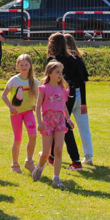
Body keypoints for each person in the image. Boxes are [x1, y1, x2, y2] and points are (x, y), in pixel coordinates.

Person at [32, 61, 75, 189]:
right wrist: (39, 122)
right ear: (49, 73)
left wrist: (68, 119)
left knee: (58, 150)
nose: (60, 75)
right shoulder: (44, 88)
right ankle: (39, 167)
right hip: (47, 120)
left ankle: (56, 178)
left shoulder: (63, 89)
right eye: (57, 72)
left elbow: (63, 106)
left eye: (61, 72)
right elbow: (38, 106)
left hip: (60, 120)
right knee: (46, 152)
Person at [46, 33, 85, 170]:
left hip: (57, 96)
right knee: (58, 125)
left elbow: (48, 81)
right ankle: (51, 157)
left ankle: (76, 161)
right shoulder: (73, 59)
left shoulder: (52, 61)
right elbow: (81, 81)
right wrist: (83, 101)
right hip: (72, 94)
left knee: (63, 127)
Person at [0, 53, 39, 174]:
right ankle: (15, 164)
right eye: (21, 64)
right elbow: (4, 95)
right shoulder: (14, 80)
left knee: (33, 135)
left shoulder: (34, 81)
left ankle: (29, 161)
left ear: (30, 66)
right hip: (16, 114)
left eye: (26, 64)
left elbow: (39, 97)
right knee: (18, 139)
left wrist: (35, 105)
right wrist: (11, 107)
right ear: (17, 66)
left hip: (28, 113)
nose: (24, 66)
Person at [64, 33, 94, 165]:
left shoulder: (65, 60)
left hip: (68, 95)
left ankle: (51, 153)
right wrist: (83, 102)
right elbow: (84, 81)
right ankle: (88, 156)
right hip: (79, 94)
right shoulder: (79, 60)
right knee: (84, 127)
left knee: (61, 124)